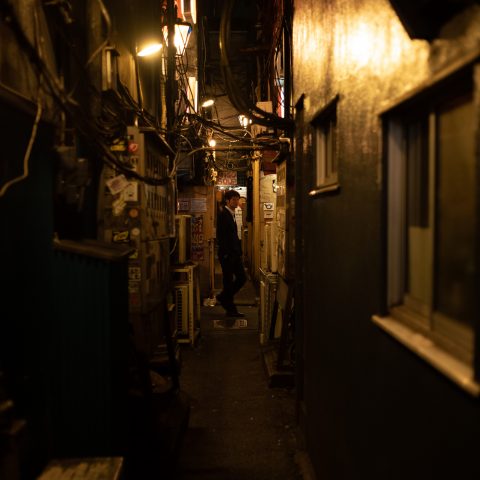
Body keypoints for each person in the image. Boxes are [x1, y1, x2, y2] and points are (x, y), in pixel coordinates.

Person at [216, 189, 247, 317]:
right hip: (227, 255)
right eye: (233, 199)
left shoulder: (231, 214)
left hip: (233, 254)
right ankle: (230, 308)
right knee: (229, 281)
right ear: (227, 201)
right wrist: (227, 254)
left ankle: (224, 298)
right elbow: (222, 236)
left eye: (237, 199)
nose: (236, 201)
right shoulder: (224, 215)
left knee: (241, 278)